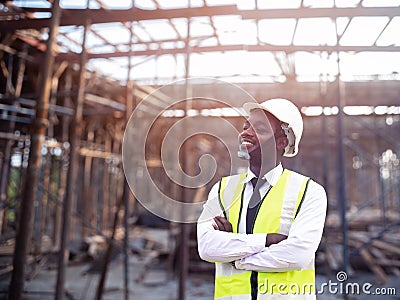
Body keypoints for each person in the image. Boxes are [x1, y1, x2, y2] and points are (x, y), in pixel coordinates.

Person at [197, 99, 327, 300]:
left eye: (259, 128)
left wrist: (234, 257)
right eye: (246, 126)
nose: (245, 133)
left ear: (282, 142)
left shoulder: (309, 192)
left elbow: (296, 254)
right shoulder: (222, 189)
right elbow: (207, 247)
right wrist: (266, 240)